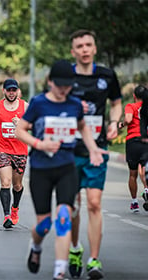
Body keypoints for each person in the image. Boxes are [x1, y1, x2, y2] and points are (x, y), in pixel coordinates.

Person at [15, 59, 106, 280]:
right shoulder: (38, 103)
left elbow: (83, 126)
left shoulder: (74, 104)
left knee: (65, 215)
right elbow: (20, 129)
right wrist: (39, 144)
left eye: (67, 85)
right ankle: (36, 247)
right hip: (41, 168)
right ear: (50, 82)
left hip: (66, 167)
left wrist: (93, 148)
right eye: (59, 85)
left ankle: (60, 271)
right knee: (44, 225)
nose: (63, 89)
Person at [68, 29, 122, 279]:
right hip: (69, 149)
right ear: (73, 51)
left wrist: (114, 123)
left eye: (89, 44)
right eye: (80, 46)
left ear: (95, 48)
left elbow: (116, 101)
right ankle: (75, 248)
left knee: (94, 203)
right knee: (73, 206)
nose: (85, 49)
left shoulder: (107, 76)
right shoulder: (65, 76)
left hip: (97, 148)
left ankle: (94, 260)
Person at [0, 78, 28, 228]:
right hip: (3, 149)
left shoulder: (26, 107)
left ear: (17, 91)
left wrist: (22, 124)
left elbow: (35, 126)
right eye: (9, 90)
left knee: (17, 185)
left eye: (14, 90)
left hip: (20, 151)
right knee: (5, 183)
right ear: (4, 91)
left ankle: (15, 208)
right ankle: (6, 216)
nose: (11, 93)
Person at [118, 85, 148, 212]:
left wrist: (122, 124)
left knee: (133, 173)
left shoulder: (131, 106)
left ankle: (134, 202)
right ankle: (147, 190)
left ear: (134, 96)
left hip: (133, 141)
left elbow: (129, 119)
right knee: (146, 168)